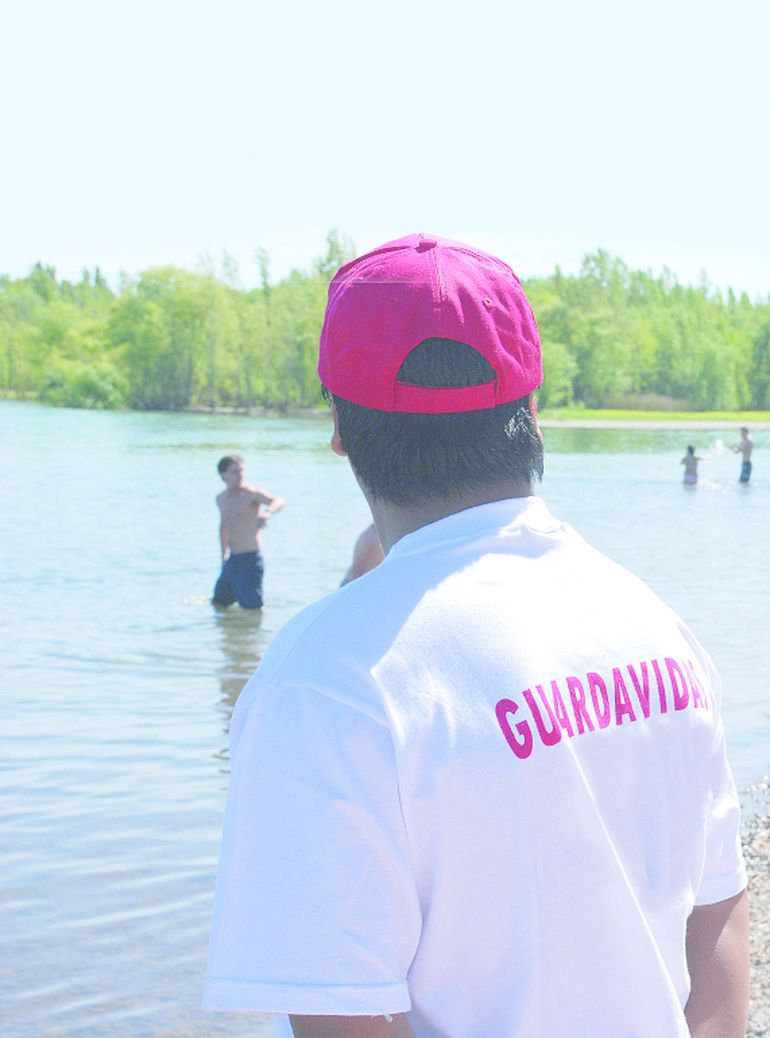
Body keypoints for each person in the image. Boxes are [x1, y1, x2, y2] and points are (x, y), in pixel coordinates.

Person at [203, 235, 748, 1038]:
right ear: (530, 413)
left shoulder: (325, 678)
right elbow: (719, 924)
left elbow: (342, 1017)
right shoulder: (652, 622)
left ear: (340, 430)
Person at [211, 455, 285, 610]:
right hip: (232, 560)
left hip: (250, 560)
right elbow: (223, 526)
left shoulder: (251, 494)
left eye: (241, 471)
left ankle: (253, 633)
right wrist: (223, 555)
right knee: (218, 603)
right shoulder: (221, 498)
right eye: (235, 472)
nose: (240, 475)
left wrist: (267, 513)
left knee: (252, 608)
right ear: (223, 475)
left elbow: (278, 501)